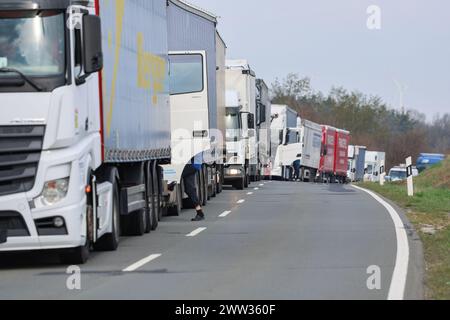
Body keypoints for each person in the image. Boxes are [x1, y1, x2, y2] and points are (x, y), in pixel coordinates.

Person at [183, 154, 205, 222]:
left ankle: (200, 213)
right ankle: (199, 212)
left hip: (193, 164)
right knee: (189, 189)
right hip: (193, 164)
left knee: (175, 174)